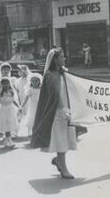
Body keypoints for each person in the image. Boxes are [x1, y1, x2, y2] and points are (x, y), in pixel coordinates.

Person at [31, 48, 77, 179]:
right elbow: (55, 95)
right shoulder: (50, 75)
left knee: (67, 139)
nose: (64, 59)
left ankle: (58, 161)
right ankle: (64, 169)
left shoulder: (63, 73)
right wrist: (63, 110)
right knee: (61, 140)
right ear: (55, 60)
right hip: (58, 111)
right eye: (61, 57)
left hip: (67, 108)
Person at [0, 77, 21, 148]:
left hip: (10, 110)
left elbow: (13, 100)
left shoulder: (11, 91)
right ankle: (9, 141)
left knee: (10, 124)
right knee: (6, 125)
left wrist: (18, 106)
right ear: (1, 84)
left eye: (7, 83)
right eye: (4, 83)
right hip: (4, 110)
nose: (6, 85)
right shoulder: (0, 93)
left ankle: (7, 141)